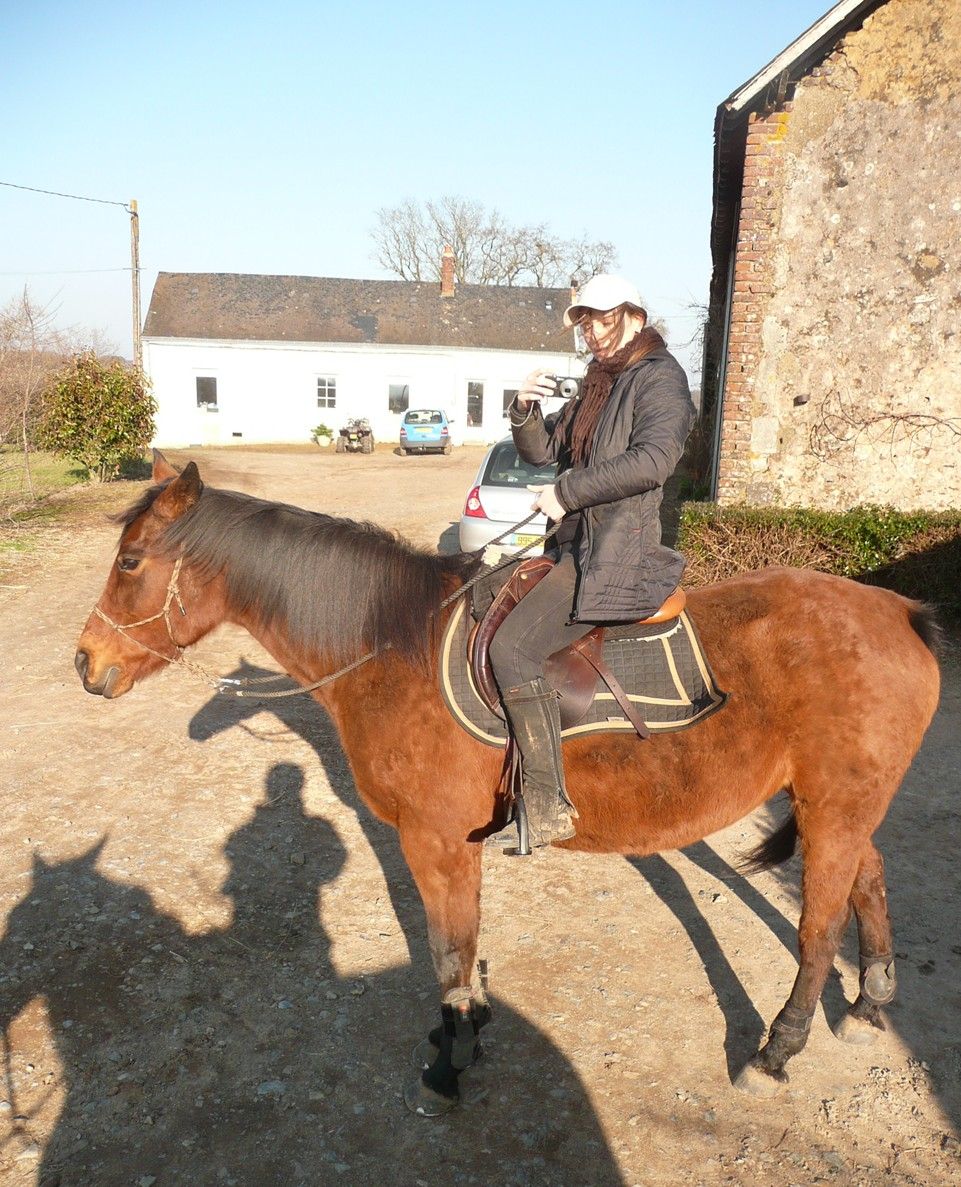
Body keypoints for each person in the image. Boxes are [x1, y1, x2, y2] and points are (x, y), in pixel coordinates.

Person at [488, 274, 696, 848]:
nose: (595, 334)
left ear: (635, 317)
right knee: (486, 599)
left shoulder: (660, 378)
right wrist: (524, 408)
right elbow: (543, 451)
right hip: (573, 546)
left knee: (512, 648)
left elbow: (654, 459)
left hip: (617, 555)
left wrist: (568, 492)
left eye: (605, 321)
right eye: (586, 324)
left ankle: (547, 806)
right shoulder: (599, 382)